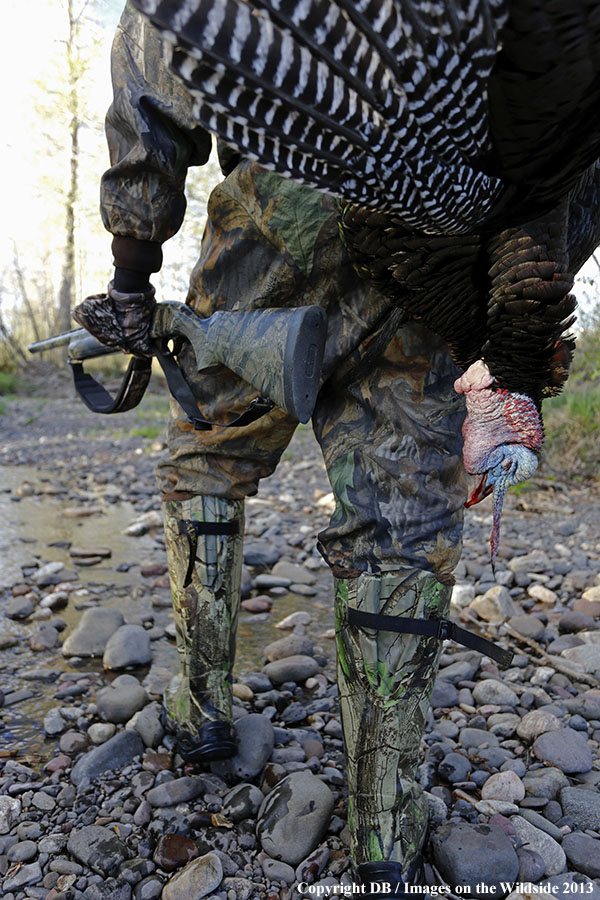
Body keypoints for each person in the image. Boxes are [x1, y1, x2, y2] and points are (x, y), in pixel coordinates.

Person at [73, 4, 498, 896]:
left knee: (209, 450)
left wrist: (130, 271)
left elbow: (155, 71)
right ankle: (384, 816)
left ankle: (203, 707)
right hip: (446, 212)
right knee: (403, 509)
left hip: (286, 189)